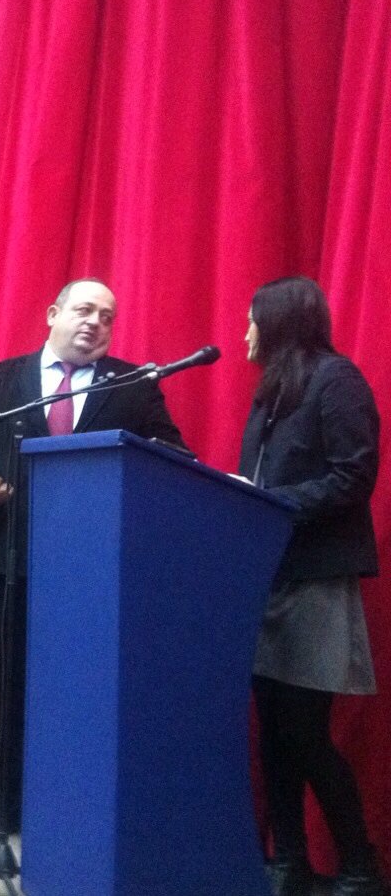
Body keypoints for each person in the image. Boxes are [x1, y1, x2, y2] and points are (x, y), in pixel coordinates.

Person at [0, 278, 185, 837]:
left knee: (78, 692)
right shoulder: (4, 377)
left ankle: (68, 807)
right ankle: (0, 802)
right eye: (84, 310)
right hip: (6, 560)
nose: (95, 322)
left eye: (107, 316)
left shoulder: (132, 384)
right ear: (53, 313)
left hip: (91, 570)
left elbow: (172, 453)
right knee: (0, 682)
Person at [239, 277, 384, 896]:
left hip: (316, 580)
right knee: (272, 731)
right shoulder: (270, 393)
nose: (244, 332)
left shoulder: (336, 379)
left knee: (304, 730)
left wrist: (269, 503)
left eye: (251, 319)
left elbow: (354, 476)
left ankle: (360, 866)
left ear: (276, 322)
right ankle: (289, 861)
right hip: (265, 578)